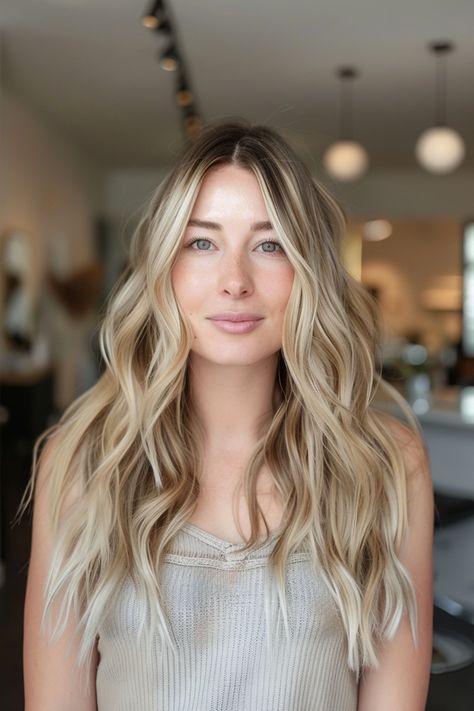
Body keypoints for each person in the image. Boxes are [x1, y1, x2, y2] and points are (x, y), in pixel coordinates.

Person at [17, 120, 434, 711]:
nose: (235, 281)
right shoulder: (84, 462)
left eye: (269, 245)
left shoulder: (385, 464)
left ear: (307, 270)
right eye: (202, 243)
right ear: (165, 265)